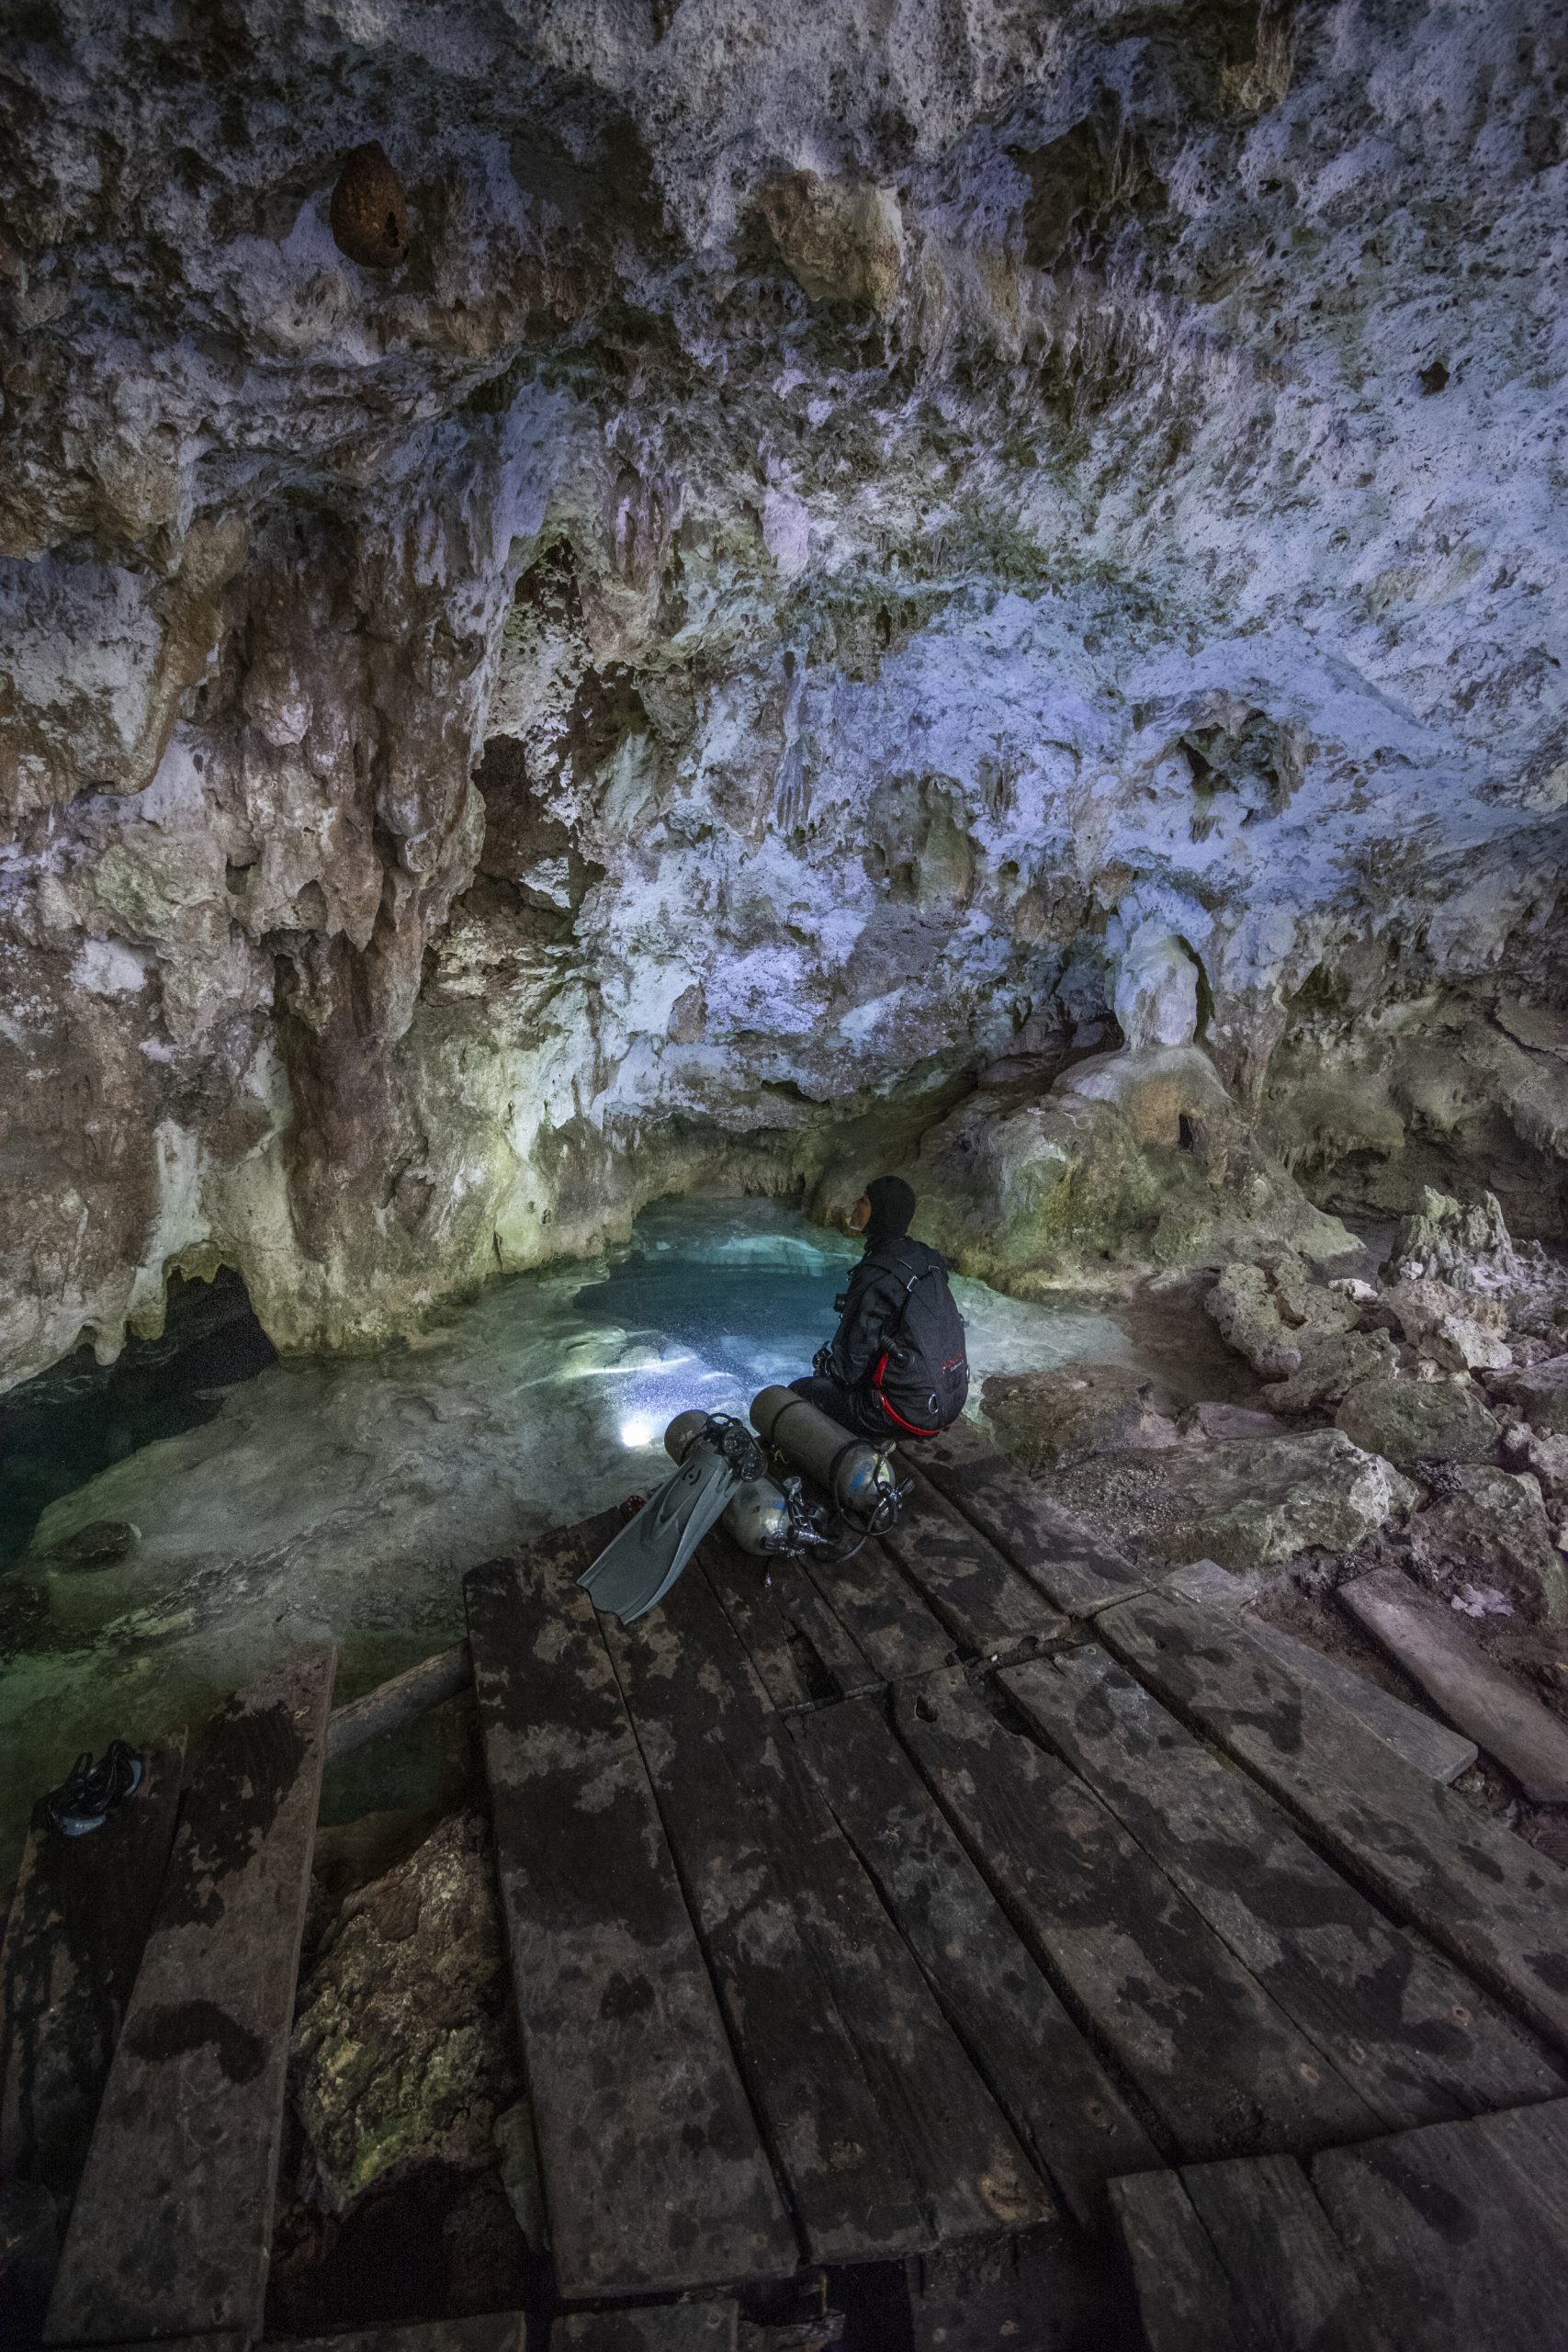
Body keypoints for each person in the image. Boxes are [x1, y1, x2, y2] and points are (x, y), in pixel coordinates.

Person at [790, 1176, 969, 1441]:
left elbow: (851, 1366)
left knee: (800, 1392)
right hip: (949, 1398)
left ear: (880, 1213)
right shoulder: (928, 1259)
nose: (855, 1204)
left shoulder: (877, 1273)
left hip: (906, 1414)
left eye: (863, 1201)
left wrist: (828, 1371)